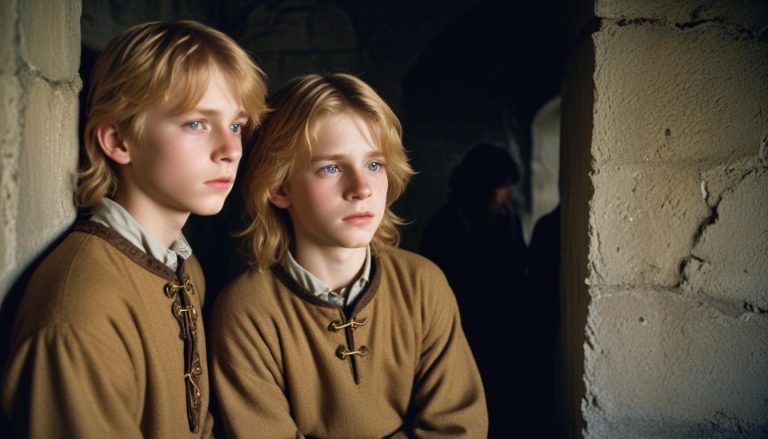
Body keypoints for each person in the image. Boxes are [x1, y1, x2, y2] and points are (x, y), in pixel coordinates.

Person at [1, 20, 267, 437]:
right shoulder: (78, 317)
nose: (231, 150)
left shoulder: (183, 265)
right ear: (118, 140)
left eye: (236, 125)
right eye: (197, 123)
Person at [211, 72, 487, 437]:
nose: (361, 189)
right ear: (279, 187)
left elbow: (458, 428)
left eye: (374, 165)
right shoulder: (246, 310)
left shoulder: (424, 284)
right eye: (331, 168)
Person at [420, 143, 528, 436]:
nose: (500, 196)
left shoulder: (507, 220)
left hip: (505, 338)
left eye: (504, 187)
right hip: (463, 338)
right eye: (495, 187)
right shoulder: (444, 228)